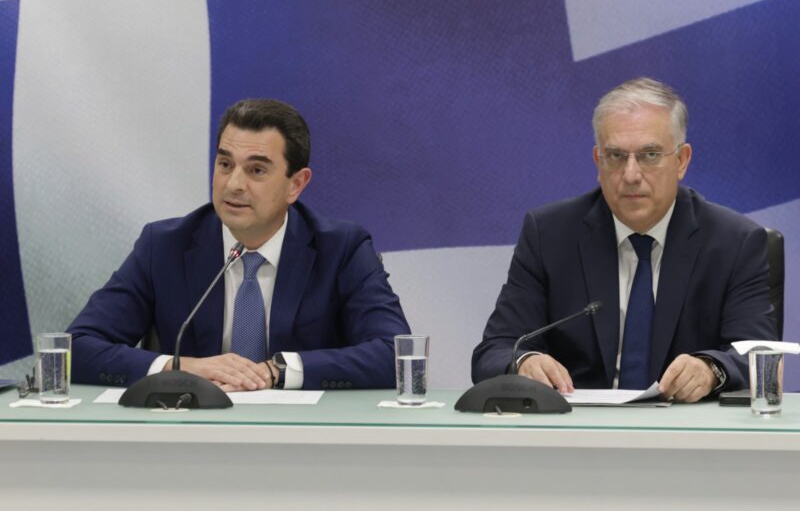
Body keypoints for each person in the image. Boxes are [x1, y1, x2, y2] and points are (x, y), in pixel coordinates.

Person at [68, 99, 410, 391]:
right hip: (191, 434)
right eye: (225, 164)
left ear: (296, 184)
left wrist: (276, 371)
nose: (233, 184)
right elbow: (75, 348)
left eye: (256, 170)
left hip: (303, 437)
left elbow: (396, 355)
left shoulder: (341, 249)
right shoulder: (165, 246)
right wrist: (181, 367)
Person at [472, 77, 777, 403]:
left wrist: (711, 368)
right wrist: (524, 362)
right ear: (598, 161)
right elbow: (494, 351)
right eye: (616, 156)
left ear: (682, 161)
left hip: (685, 428)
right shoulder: (549, 235)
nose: (631, 175)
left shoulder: (734, 242)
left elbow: (760, 355)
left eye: (650, 154)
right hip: (578, 428)